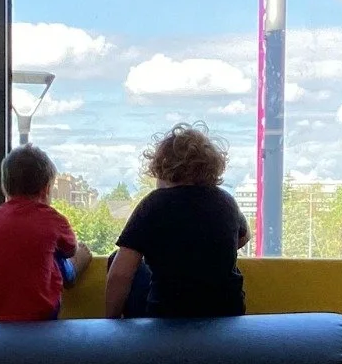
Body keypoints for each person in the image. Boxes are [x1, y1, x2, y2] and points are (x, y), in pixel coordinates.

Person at [105, 124, 249, 319]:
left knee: (116, 258)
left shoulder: (154, 204)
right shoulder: (226, 201)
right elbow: (244, 237)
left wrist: (109, 323)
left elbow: (120, 274)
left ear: (164, 170)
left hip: (168, 315)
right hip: (226, 314)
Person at [0, 145, 92, 321]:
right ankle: (80, 264)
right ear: (46, 189)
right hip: (37, 317)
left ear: (4, 187)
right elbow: (70, 249)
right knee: (62, 256)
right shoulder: (53, 220)